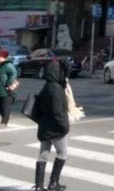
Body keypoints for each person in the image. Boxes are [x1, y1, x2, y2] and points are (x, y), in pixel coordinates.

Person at [30, 59, 70, 191]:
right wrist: (64, 127)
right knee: (62, 153)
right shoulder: (57, 89)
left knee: (43, 154)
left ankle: (39, 186)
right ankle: (53, 183)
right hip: (55, 128)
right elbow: (58, 112)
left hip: (44, 127)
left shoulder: (46, 86)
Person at [0, 49, 19, 128]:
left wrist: (9, 84)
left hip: (7, 90)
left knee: (5, 106)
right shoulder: (0, 66)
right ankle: (6, 116)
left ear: (4, 58)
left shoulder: (8, 65)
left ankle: (4, 122)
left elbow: (14, 74)